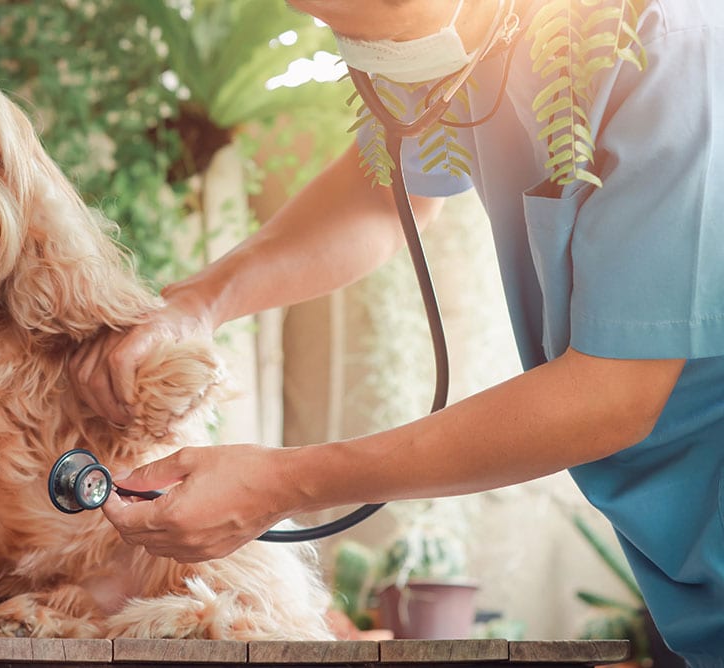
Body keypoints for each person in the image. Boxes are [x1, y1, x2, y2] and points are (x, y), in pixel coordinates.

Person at [68, 0, 724, 663]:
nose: (368, 58)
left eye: (385, 21)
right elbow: (384, 191)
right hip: (681, 570)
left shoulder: (669, 46)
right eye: (330, 23)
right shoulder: (475, 44)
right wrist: (197, 303)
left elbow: (612, 395)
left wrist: (284, 483)